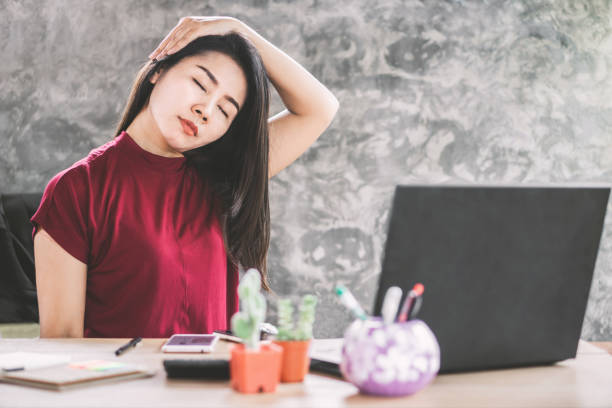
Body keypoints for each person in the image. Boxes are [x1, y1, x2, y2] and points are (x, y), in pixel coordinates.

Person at [31, 16, 339, 338]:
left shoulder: (223, 180)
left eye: (224, 110)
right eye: (200, 84)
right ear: (159, 70)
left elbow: (319, 108)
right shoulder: (77, 189)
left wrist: (240, 30)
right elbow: (63, 344)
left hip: (215, 384)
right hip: (125, 386)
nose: (205, 109)